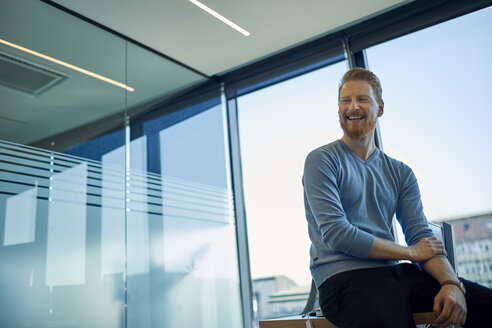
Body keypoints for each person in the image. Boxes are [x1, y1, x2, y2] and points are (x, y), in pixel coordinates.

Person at [302, 67, 492, 328]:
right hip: (344, 278)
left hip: (397, 275)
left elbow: (421, 236)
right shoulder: (322, 160)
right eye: (345, 101)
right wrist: (411, 252)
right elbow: (337, 233)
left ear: (379, 109)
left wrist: (452, 283)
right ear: (338, 109)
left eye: (362, 99)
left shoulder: (401, 173)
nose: (352, 107)